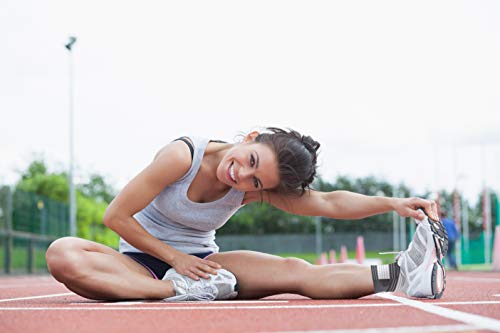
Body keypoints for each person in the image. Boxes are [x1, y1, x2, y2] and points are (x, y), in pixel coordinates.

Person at [45, 128, 447, 301]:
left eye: (255, 182)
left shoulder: (251, 189)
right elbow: (116, 216)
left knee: (296, 271)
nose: (241, 175)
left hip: (205, 267)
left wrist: (393, 204)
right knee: (63, 253)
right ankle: (171, 294)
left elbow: (327, 203)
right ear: (250, 138)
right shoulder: (182, 156)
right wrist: (175, 266)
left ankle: (400, 274)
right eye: (250, 160)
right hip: (140, 266)